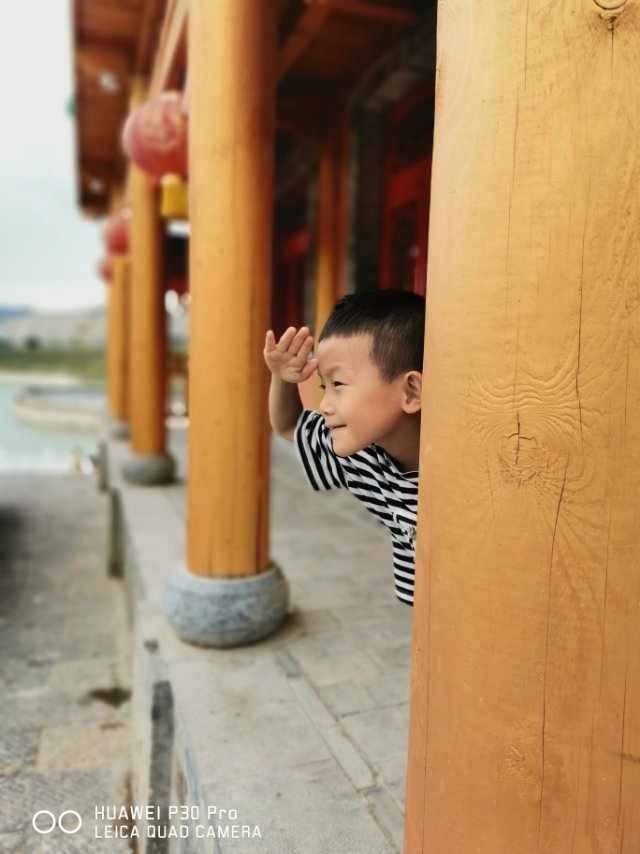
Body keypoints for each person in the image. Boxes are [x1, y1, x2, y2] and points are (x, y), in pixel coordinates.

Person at [263, 289, 425, 606]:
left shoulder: (467, 472)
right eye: (324, 387)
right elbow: (288, 426)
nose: (324, 405)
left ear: (411, 391)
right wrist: (282, 379)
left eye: (338, 385)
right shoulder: (362, 459)